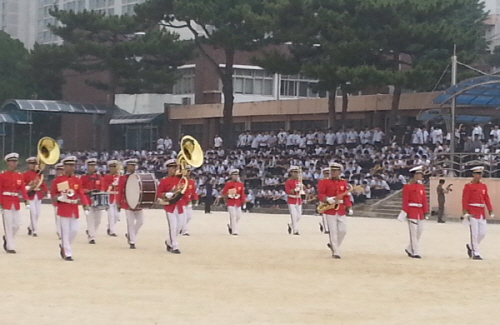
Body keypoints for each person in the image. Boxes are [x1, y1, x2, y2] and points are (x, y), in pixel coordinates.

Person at [51, 156, 90, 261]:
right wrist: (58, 198)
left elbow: (81, 193)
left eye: (72, 165)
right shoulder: (58, 180)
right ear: (64, 166)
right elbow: (53, 194)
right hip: (64, 207)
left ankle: (64, 245)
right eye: (68, 165)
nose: (71, 167)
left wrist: (85, 205)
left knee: (74, 230)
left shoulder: (76, 180)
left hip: (73, 207)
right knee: (65, 231)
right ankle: (67, 253)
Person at [317, 163, 353, 259]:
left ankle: (334, 245)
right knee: (333, 231)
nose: (332, 172)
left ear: (339, 172)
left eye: (335, 171)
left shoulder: (343, 182)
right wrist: (326, 199)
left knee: (343, 230)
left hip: (340, 208)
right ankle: (336, 251)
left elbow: (346, 196)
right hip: (330, 208)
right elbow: (320, 194)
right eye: (332, 170)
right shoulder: (324, 182)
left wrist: (349, 207)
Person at [462, 166, 494, 260]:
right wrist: (465, 211)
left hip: (481, 211)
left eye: (480, 174)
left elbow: (486, 198)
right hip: (472, 211)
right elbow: (465, 199)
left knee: (483, 233)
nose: (479, 175)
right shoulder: (468, 186)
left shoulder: (483, 186)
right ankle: (476, 253)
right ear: (473, 174)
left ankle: (470, 246)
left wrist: (490, 209)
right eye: (477, 173)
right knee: (474, 233)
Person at [0, 153, 29, 254]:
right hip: (6, 200)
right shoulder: (2, 175)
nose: (14, 163)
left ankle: (7, 238)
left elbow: (22, 189)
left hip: (15, 200)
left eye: (15, 161)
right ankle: (10, 246)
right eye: (12, 161)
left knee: (16, 224)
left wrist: (26, 200)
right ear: (7, 162)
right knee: (8, 224)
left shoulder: (19, 176)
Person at [157, 159, 185, 254]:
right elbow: (159, 193)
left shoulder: (180, 179)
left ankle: (169, 242)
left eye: (176, 167)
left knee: (180, 226)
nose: (175, 169)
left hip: (179, 205)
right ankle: (174, 246)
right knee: (173, 226)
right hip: (170, 206)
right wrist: (165, 195)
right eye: (173, 167)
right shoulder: (164, 181)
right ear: (168, 169)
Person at [401, 166, 428, 259]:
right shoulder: (407, 186)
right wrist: (405, 212)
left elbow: (424, 200)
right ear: (415, 175)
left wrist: (425, 211)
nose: (421, 176)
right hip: (412, 210)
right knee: (413, 233)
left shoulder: (421, 186)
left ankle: (409, 248)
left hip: (419, 211)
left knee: (419, 231)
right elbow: (405, 200)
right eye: (419, 174)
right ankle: (414, 252)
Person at [116, 159, 143, 249]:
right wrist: (118, 203)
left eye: (134, 165)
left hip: (138, 202)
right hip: (127, 202)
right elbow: (119, 191)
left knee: (140, 221)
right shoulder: (123, 178)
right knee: (130, 223)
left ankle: (130, 235)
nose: (133, 167)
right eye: (131, 165)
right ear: (127, 167)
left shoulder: (138, 177)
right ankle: (132, 241)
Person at [80, 158, 104, 244]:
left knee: (98, 220)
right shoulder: (83, 177)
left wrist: (100, 192)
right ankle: (91, 237)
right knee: (90, 219)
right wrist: (85, 191)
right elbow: (80, 188)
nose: (92, 167)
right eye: (90, 166)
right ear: (87, 167)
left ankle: (90, 231)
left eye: (93, 166)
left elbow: (102, 187)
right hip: (88, 199)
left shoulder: (99, 177)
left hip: (97, 200)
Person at [23, 157, 48, 237]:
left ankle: (30, 226)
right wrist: (27, 187)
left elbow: (42, 184)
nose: (32, 165)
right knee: (33, 212)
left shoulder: (39, 174)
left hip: (38, 194)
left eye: (34, 164)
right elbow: (22, 184)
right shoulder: (25, 174)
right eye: (31, 164)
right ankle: (35, 230)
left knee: (37, 213)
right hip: (30, 194)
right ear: (28, 165)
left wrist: (46, 191)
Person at [221, 169, 246, 235]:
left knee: (238, 216)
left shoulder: (240, 184)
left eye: (237, 175)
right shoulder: (228, 183)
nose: (236, 176)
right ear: (231, 176)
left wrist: (243, 202)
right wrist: (227, 195)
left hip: (237, 202)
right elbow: (224, 192)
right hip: (230, 201)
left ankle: (230, 225)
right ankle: (234, 231)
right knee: (233, 216)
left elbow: (242, 194)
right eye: (234, 175)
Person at [102, 160, 121, 237]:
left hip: (117, 198)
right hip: (109, 197)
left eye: (115, 167)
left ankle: (109, 226)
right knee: (111, 215)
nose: (114, 169)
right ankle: (111, 231)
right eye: (112, 167)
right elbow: (105, 187)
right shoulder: (106, 177)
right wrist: (112, 185)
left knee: (117, 216)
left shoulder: (119, 177)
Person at [180, 166, 198, 236]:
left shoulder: (191, 182)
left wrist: (195, 199)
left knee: (189, 216)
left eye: (189, 171)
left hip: (189, 200)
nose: (188, 172)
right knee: (184, 216)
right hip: (182, 201)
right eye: (186, 171)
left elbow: (193, 191)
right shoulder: (180, 181)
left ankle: (181, 227)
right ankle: (185, 230)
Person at [285, 166, 303, 235]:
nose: (296, 174)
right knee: (294, 215)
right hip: (291, 199)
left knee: (299, 216)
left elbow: (304, 189)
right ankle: (295, 230)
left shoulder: (299, 181)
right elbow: (288, 191)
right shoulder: (288, 181)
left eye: (297, 172)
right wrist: (295, 189)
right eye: (295, 172)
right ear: (291, 173)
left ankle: (290, 225)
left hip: (298, 199)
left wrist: (302, 187)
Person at [51, 163, 64, 239]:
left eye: (61, 170)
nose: (60, 171)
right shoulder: (55, 180)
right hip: (57, 200)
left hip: (65, 200)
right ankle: (59, 232)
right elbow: (53, 191)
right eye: (58, 170)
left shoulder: (65, 179)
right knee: (58, 217)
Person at [317, 168, 330, 234]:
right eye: (326, 173)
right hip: (324, 199)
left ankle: (323, 224)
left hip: (331, 199)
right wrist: (324, 198)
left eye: (328, 173)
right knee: (324, 214)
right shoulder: (321, 181)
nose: (327, 175)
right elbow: (320, 191)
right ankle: (326, 229)